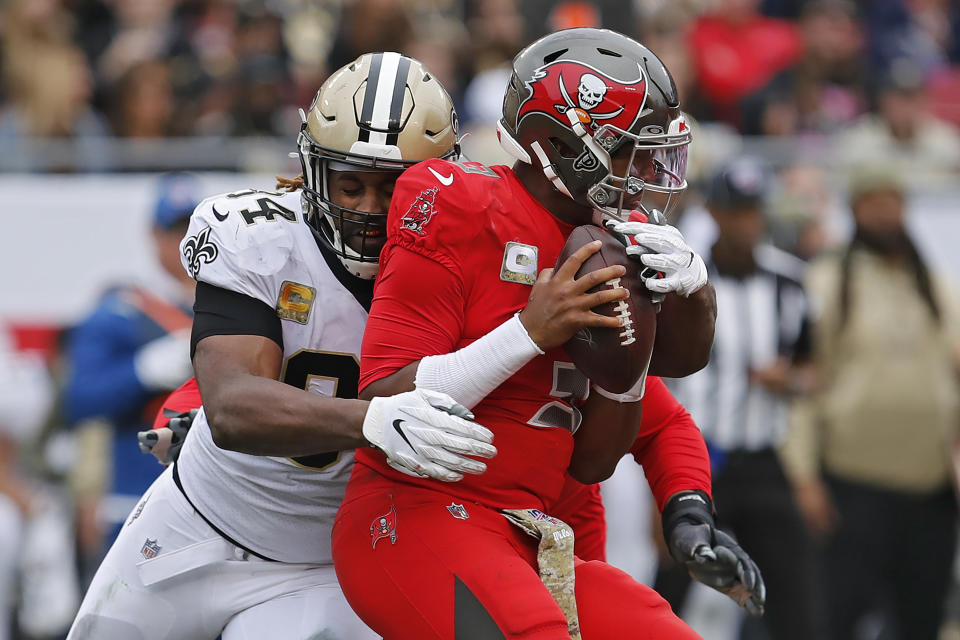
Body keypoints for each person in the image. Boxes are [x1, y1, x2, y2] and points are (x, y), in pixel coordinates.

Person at [333, 28, 764, 639]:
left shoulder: (613, 244)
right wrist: (529, 331)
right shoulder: (459, 206)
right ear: (561, 145)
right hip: (421, 513)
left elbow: (663, 413)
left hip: (534, 532)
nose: (645, 173)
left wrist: (689, 514)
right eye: (628, 152)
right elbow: (383, 397)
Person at [67, 53, 496, 640]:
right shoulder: (258, 236)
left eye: (393, 186)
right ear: (313, 168)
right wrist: (375, 420)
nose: (370, 210)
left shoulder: (472, 262)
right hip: (197, 520)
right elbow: (234, 406)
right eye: (349, 183)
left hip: (320, 563)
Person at [781, 163, 960, 640]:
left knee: (921, 622)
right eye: (874, 203)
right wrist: (802, 476)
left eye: (895, 202)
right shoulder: (827, 281)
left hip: (930, 492)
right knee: (837, 621)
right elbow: (802, 386)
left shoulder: (934, 287)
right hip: (852, 489)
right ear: (856, 209)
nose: (886, 214)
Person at [656, 158, 822, 639]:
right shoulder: (685, 280)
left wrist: (788, 379)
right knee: (670, 588)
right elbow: (662, 375)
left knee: (794, 599)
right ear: (714, 212)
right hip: (701, 457)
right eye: (733, 211)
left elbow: (813, 370)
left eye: (751, 211)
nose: (743, 223)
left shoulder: (789, 281)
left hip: (764, 457)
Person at [63, 172, 200, 567]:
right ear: (154, 235)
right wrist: (142, 371)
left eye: (194, 227)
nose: (185, 240)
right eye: (175, 229)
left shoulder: (234, 304)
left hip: (213, 496)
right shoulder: (122, 310)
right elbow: (77, 400)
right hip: (135, 494)